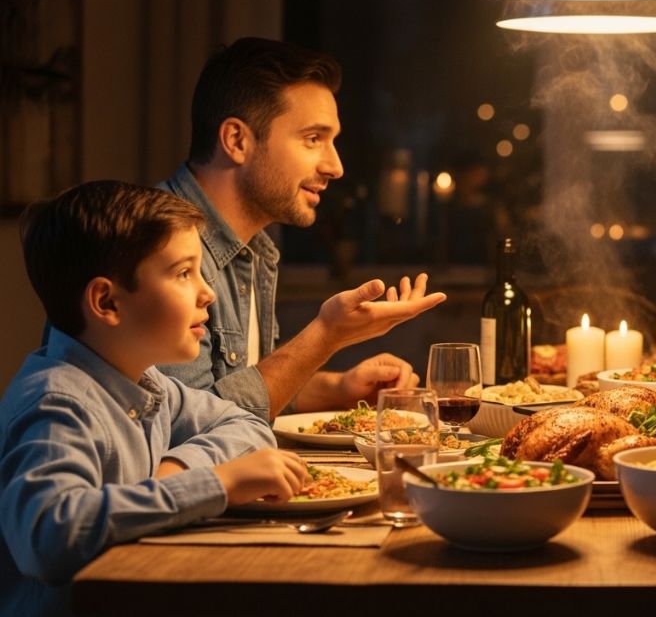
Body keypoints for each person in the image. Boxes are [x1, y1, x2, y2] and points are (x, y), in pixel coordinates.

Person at [1, 181, 310, 616]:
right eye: (183, 273)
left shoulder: (148, 384)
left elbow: (246, 424)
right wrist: (218, 483)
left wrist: (176, 471)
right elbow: (49, 536)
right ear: (107, 302)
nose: (208, 292)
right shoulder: (57, 402)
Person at [159, 37, 446, 421]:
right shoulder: (157, 243)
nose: (335, 167)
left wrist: (338, 388)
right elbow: (188, 425)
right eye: (313, 139)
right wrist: (325, 336)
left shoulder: (252, 249)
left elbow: (241, 388)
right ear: (236, 140)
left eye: (332, 141)